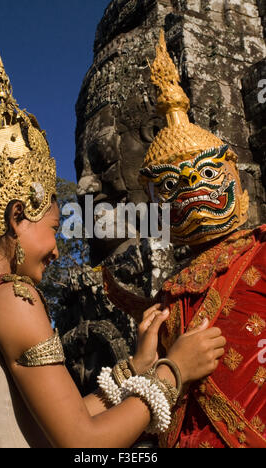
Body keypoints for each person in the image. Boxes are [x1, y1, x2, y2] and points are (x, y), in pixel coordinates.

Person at [0, 49, 226, 449]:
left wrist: (135, 369)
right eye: (54, 228)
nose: (57, 249)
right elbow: (81, 444)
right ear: (18, 217)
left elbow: (59, 419)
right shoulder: (14, 298)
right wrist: (175, 371)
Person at [105, 31, 266, 448]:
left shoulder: (261, 250)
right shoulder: (168, 296)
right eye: (174, 185)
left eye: (209, 175)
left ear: (236, 176)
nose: (194, 189)